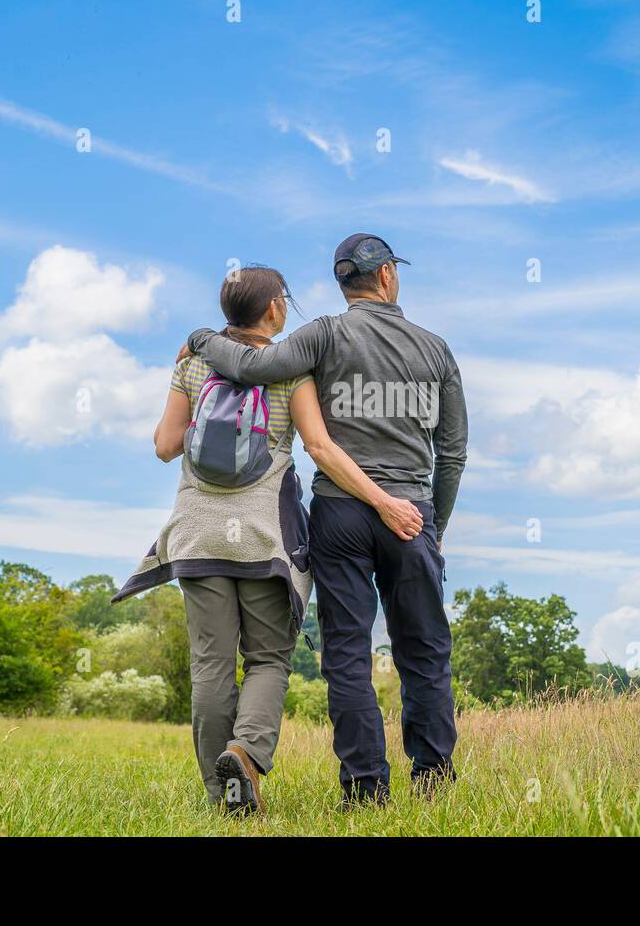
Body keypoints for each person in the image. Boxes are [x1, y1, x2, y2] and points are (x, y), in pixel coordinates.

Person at [180, 235, 468, 806]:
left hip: (338, 512)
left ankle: (364, 787)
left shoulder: (324, 335)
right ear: (386, 276)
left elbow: (250, 364)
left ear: (345, 283)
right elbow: (453, 452)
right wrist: (434, 524)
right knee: (425, 650)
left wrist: (199, 338)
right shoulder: (436, 350)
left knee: (345, 652)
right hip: (411, 510)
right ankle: (433, 780)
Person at [125, 264, 423, 816]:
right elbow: (321, 447)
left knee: (211, 666)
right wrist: (383, 501)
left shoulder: (193, 365)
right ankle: (246, 752)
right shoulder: (293, 373)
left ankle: (223, 798)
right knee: (267, 660)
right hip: (266, 542)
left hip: (196, 536)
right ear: (274, 311)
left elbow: (165, 446)